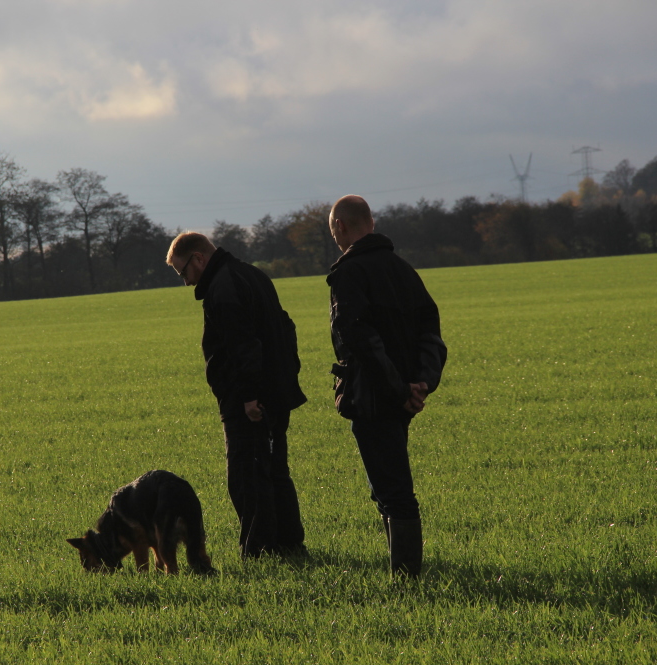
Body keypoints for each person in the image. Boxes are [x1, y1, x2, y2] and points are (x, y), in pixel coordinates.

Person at [326, 195, 447, 577]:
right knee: (388, 486)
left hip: (374, 397)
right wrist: (423, 383)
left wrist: (399, 389)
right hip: (403, 396)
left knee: (394, 493)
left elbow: (360, 341)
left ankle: (407, 579)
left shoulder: (348, 273)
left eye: (333, 230)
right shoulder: (403, 269)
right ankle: (403, 571)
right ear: (372, 223)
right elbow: (431, 332)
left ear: (341, 226)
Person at [167, 232, 308, 559]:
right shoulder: (252, 274)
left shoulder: (224, 286)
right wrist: (284, 380)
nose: (186, 282)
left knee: (247, 477)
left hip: (249, 402)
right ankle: (290, 544)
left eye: (183, 271)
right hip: (276, 393)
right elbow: (285, 329)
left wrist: (248, 396)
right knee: (275, 472)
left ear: (199, 258)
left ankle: (260, 552)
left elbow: (242, 345)